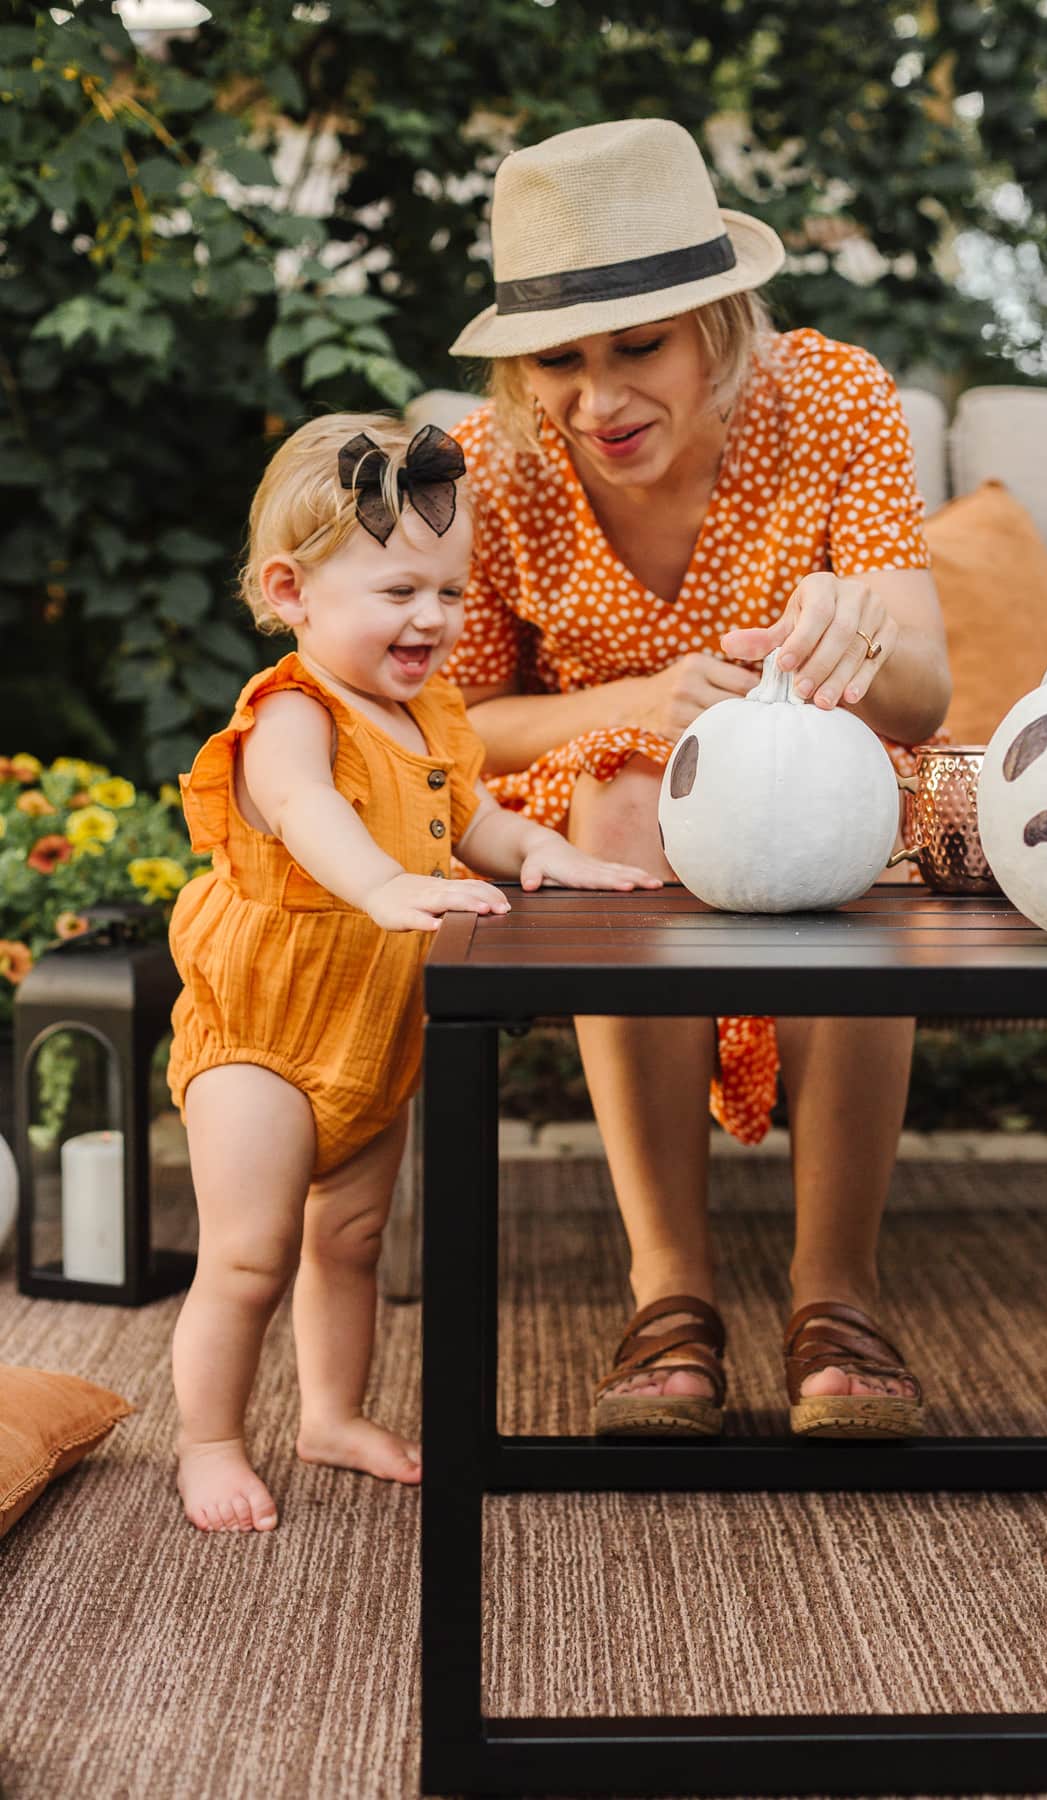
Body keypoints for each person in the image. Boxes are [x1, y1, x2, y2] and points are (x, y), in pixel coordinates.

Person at [444, 118, 952, 1440]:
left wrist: (862, 630)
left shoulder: (834, 397)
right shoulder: (491, 468)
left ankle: (833, 1297)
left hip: (821, 796)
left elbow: (925, 700)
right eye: (559, 360)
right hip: (602, 819)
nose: (598, 401)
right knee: (621, 791)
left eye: (639, 349)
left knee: (861, 809)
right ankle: (669, 1294)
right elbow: (454, 730)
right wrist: (635, 704)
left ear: (720, 320)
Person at [166, 412, 660, 1532]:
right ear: (292, 593)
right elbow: (307, 809)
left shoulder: (429, 715)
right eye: (398, 592)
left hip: (369, 1037)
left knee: (348, 1244)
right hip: (266, 1037)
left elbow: (474, 818)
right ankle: (208, 1442)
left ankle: (330, 1415)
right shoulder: (293, 713)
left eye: (450, 589)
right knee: (249, 1257)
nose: (432, 618)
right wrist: (384, 886)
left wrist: (548, 853)